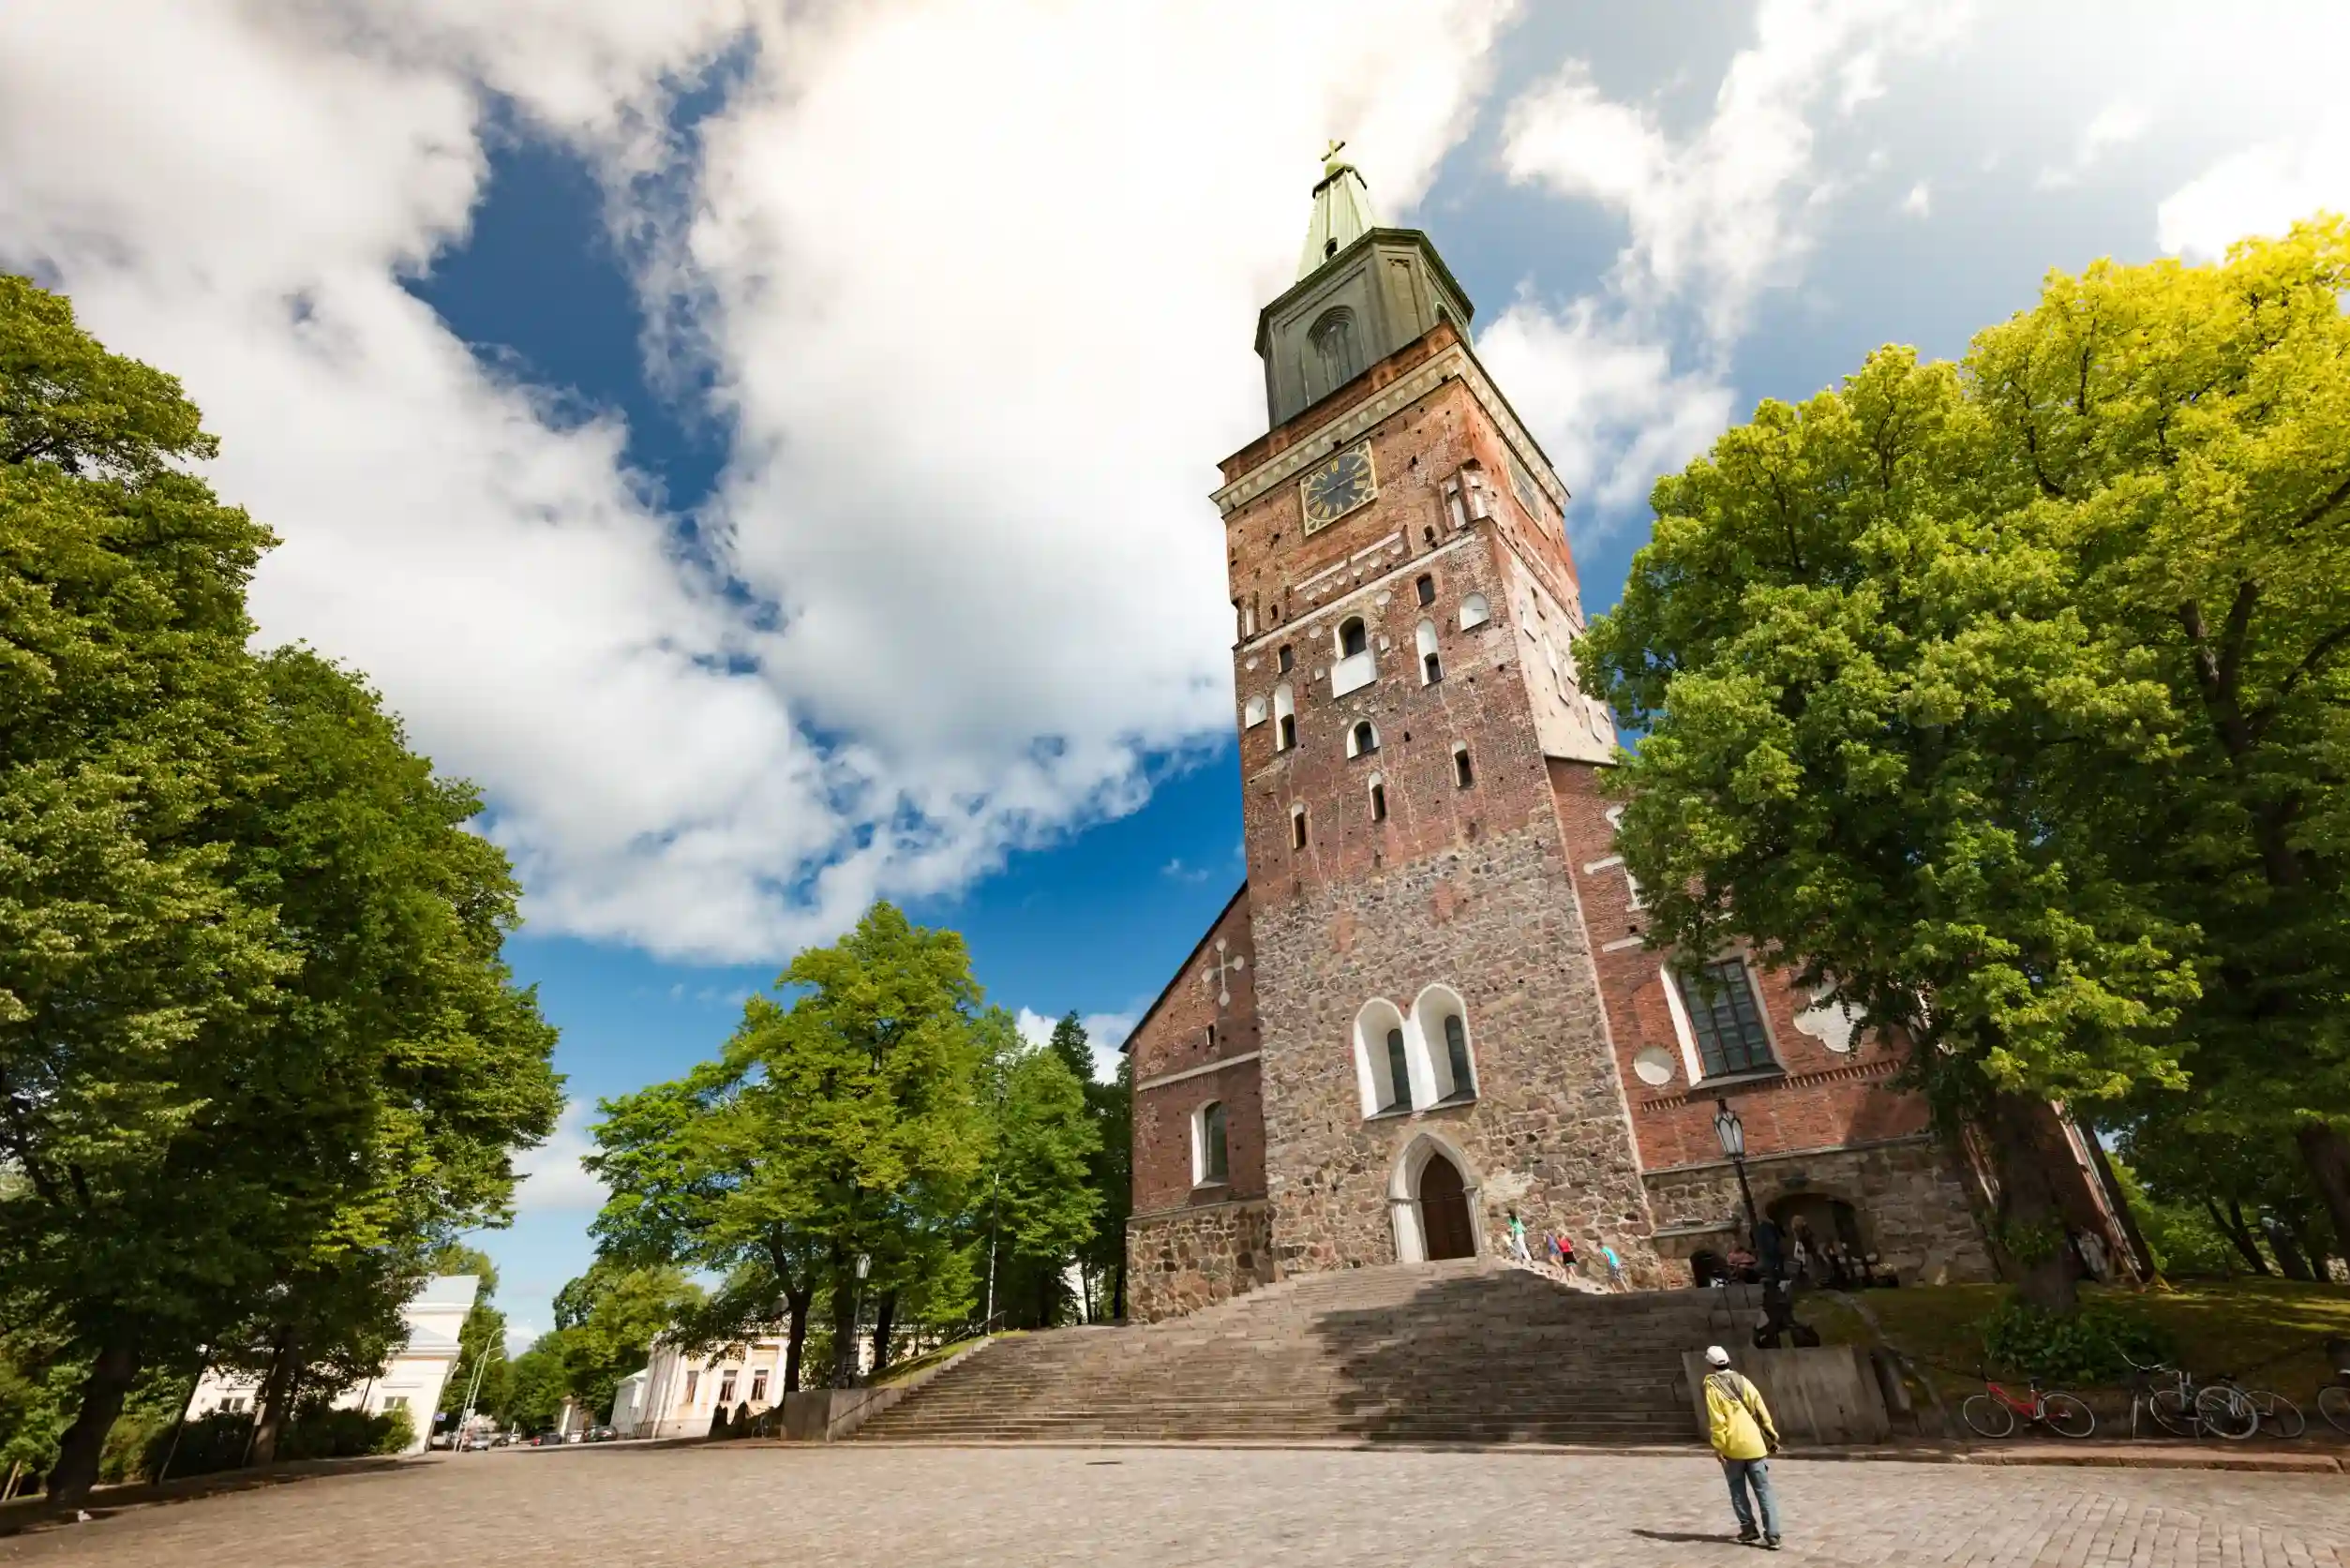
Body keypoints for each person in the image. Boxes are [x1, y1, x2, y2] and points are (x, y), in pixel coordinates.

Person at [1700, 1345, 1783, 1549]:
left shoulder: (1713, 1387)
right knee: (1764, 1491)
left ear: (1710, 1364)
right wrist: (1771, 1436)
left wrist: (1718, 1446)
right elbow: (1761, 1409)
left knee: (1738, 1491)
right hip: (1755, 1445)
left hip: (1732, 1447)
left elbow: (1718, 1421)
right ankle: (1773, 1535)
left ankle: (1749, 1531)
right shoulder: (1745, 1381)